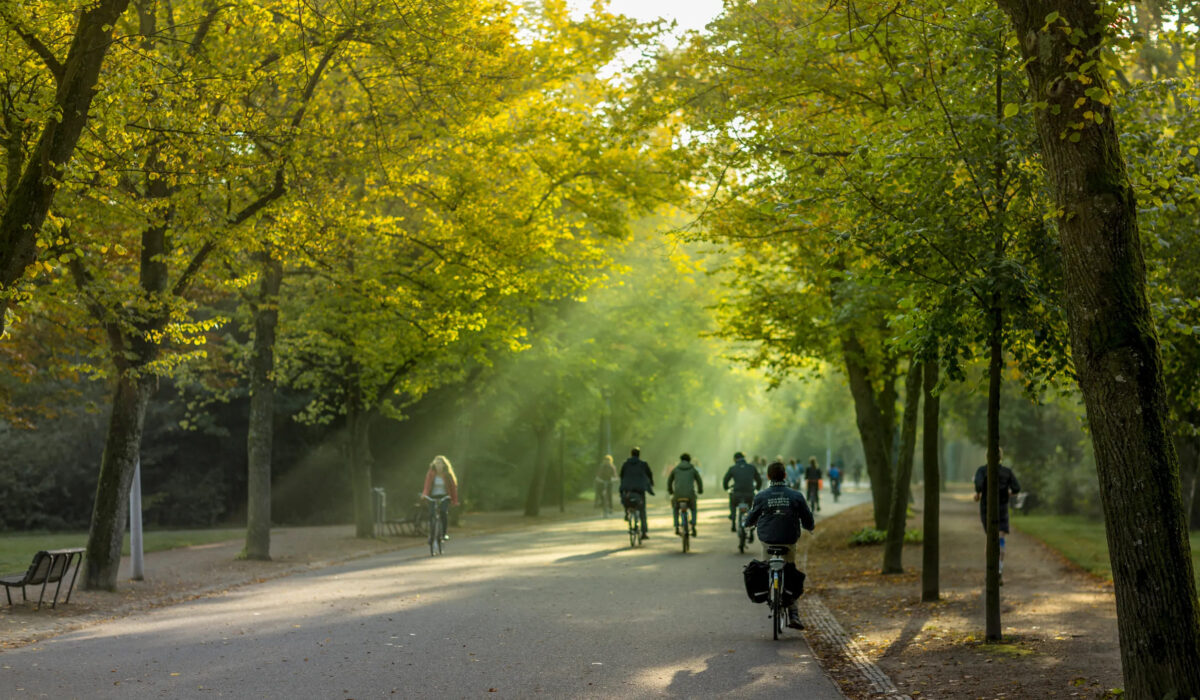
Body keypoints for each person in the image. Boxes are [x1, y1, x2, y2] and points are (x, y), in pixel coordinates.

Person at [744, 461, 815, 629]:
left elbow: (751, 517)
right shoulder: (796, 495)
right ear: (785, 475)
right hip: (788, 539)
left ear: (768, 476)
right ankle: (793, 613)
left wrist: (748, 524)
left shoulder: (761, 496)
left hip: (767, 540)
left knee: (767, 565)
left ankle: (769, 588)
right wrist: (809, 527)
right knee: (789, 569)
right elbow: (807, 517)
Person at [974, 448, 1022, 583]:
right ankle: (999, 569)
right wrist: (1008, 493)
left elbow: (978, 487)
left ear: (987, 457)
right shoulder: (1007, 472)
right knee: (1000, 539)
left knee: (990, 538)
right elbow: (1017, 488)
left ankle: (990, 570)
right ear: (1001, 457)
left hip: (986, 509)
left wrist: (978, 495)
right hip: (1002, 509)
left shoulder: (982, 471)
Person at [722, 451, 763, 532]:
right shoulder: (752, 467)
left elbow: (725, 480)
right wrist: (757, 488)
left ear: (734, 459)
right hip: (750, 494)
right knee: (752, 508)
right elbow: (759, 480)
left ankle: (733, 521)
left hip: (737, 495)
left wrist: (726, 488)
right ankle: (752, 525)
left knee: (732, 504)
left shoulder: (732, 468)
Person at [620, 447, 655, 538]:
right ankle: (644, 533)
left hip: (628, 490)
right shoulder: (643, 464)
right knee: (642, 510)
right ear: (639, 454)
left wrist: (624, 484)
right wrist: (651, 483)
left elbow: (622, 475)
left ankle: (627, 513)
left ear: (631, 454)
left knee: (625, 500)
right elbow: (649, 474)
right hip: (639, 490)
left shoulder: (625, 464)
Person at [422, 455, 459, 540]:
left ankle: (444, 534)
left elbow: (453, 488)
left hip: (444, 496)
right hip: (433, 496)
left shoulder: (448, 474)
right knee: (431, 514)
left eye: (440, 463)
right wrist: (424, 494)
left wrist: (454, 500)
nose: (438, 465)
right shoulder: (431, 473)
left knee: (443, 512)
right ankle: (431, 534)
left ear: (443, 465)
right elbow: (427, 485)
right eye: (436, 463)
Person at [668, 453, 704, 537]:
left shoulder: (676, 469)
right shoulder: (693, 469)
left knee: (676, 508)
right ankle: (693, 525)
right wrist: (700, 490)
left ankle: (676, 526)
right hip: (690, 495)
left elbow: (669, 481)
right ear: (689, 460)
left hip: (678, 495)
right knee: (693, 508)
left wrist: (671, 491)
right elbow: (699, 481)